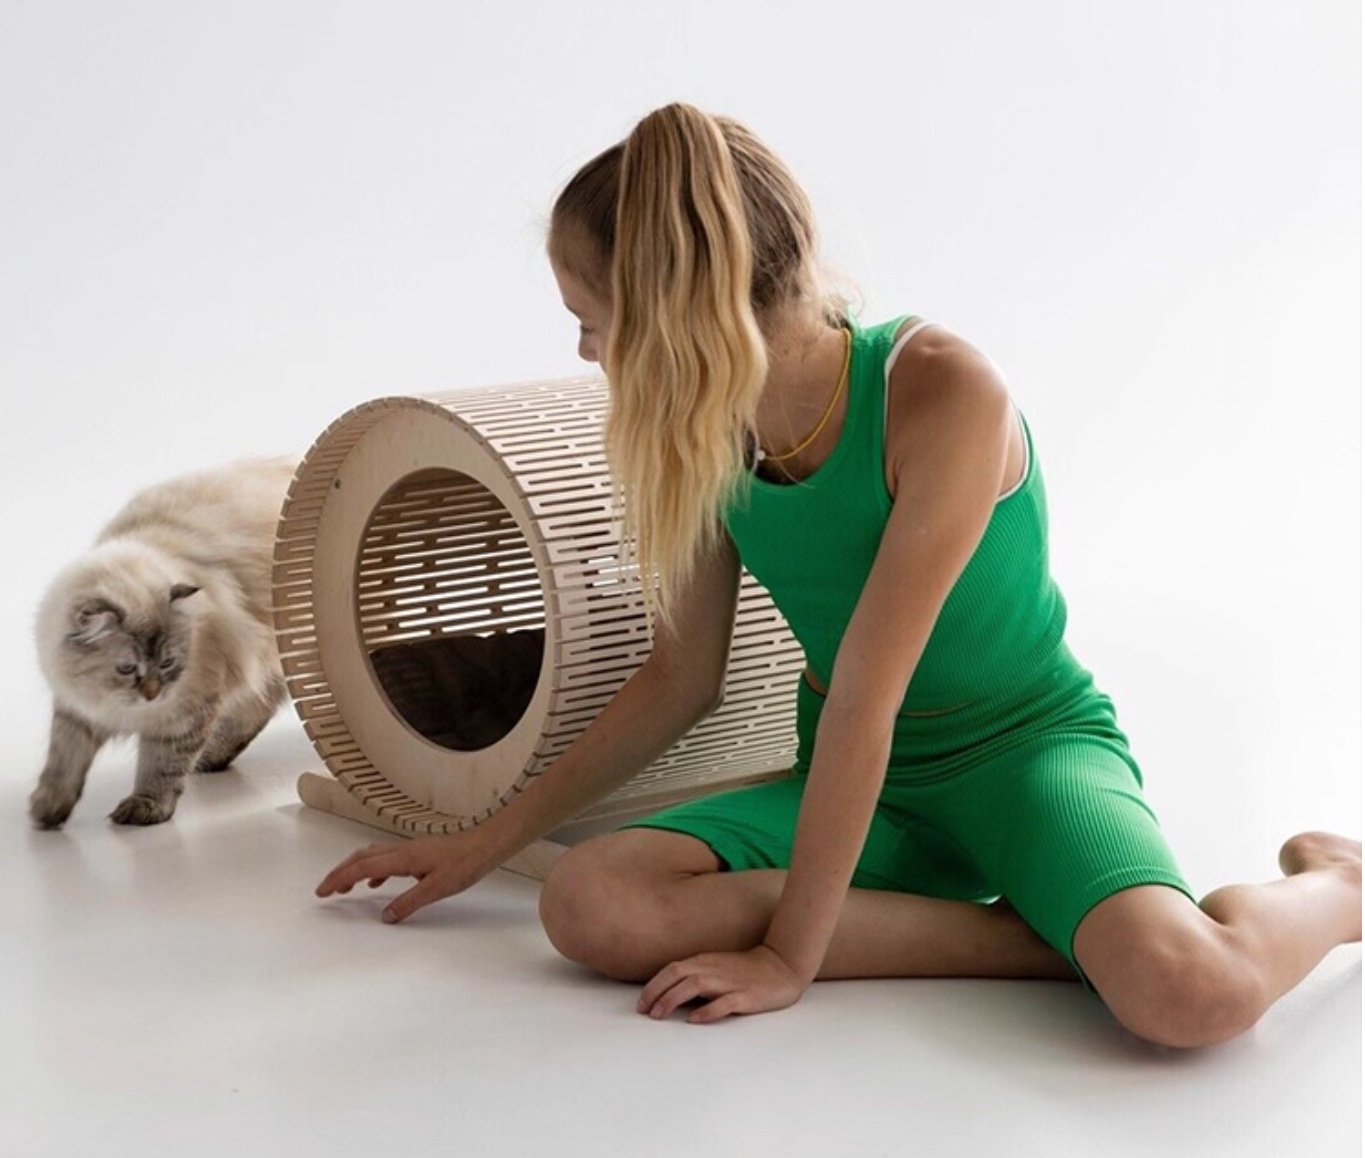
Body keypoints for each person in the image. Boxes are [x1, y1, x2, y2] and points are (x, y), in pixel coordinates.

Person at [316, 102, 1361, 1046]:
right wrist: (480, 843)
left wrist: (789, 958)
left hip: (1023, 758)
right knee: (590, 906)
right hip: (859, 781)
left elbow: (871, 692)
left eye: (594, 316)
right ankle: (1056, 944)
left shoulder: (944, 391)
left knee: (1195, 998)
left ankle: (1339, 886)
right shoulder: (706, 435)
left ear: (682, 315)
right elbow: (681, 681)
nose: (585, 350)